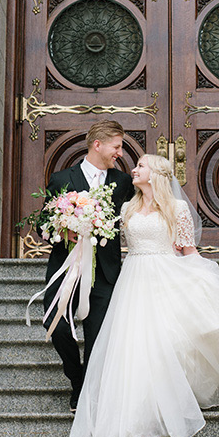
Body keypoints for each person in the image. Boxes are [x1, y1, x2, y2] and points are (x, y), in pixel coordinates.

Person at [68, 153, 219, 437]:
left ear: (154, 173)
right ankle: (135, 411)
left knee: (165, 341)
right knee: (134, 345)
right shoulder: (127, 206)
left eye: (140, 166)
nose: (134, 169)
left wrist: (206, 277)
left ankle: (165, 403)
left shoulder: (176, 208)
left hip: (164, 274)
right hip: (133, 278)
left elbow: (186, 248)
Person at [40, 120, 134, 412]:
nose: (119, 153)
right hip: (66, 268)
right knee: (55, 323)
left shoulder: (122, 183)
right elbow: (42, 223)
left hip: (105, 273)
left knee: (97, 335)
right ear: (98, 144)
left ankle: (88, 391)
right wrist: (61, 228)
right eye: (116, 147)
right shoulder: (60, 179)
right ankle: (76, 377)